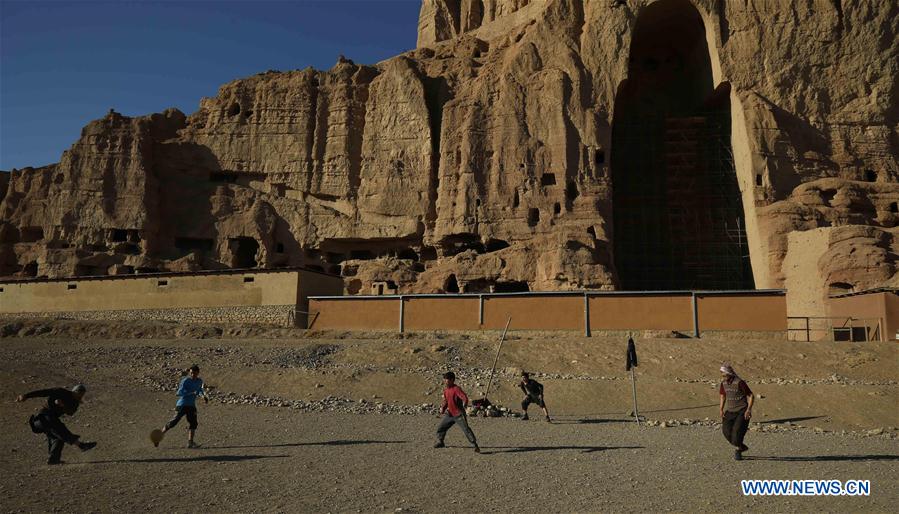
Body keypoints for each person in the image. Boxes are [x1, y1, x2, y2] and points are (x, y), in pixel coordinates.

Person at [16, 384, 97, 465]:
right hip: (42, 419)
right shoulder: (60, 391)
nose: (80, 396)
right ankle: (81, 445)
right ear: (75, 391)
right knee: (60, 429)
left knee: (58, 438)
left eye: (82, 395)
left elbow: (70, 412)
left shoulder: (75, 403)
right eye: (80, 394)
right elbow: (43, 392)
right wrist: (26, 396)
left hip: (50, 422)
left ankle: (54, 459)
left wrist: (63, 405)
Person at [160, 365, 207, 448]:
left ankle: (190, 442)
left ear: (198, 373)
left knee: (193, 423)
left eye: (195, 373)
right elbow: (179, 393)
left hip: (191, 405)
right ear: (190, 372)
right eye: (191, 373)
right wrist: (190, 393)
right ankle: (159, 436)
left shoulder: (199, 381)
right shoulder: (185, 381)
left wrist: (203, 396)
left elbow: (199, 390)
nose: (193, 375)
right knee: (173, 422)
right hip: (182, 404)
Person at [434, 372, 480, 453]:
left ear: (452, 380)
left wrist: (465, 403)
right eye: (444, 379)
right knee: (441, 428)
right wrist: (443, 409)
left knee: (466, 429)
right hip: (450, 414)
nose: (445, 381)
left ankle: (475, 445)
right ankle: (440, 442)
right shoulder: (446, 391)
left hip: (458, 414)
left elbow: (464, 397)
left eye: (447, 379)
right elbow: (446, 401)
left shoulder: (456, 389)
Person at [719, 363, 754, 460]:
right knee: (726, 432)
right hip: (730, 411)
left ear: (729, 374)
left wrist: (748, 410)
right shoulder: (723, 384)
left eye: (724, 375)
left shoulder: (739, 382)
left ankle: (739, 449)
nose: (723, 377)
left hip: (741, 411)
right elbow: (723, 396)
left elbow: (751, 395)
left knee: (737, 434)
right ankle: (742, 446)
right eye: (721, 375)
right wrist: (721, 409)